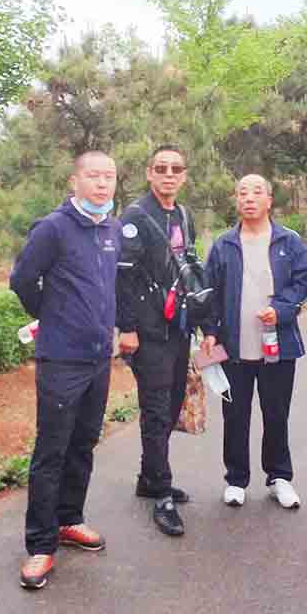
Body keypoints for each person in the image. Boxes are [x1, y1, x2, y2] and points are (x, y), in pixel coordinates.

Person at [9, 150, 121, 590]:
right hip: (62, 359)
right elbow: (22, 280)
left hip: (99, 358)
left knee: (84, 442)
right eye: (93, 176)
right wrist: (50, 316)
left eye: (109, 176)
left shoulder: (111, 228)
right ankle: (40, 544)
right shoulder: (54, 228)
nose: (102, 184)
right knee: (52, 449)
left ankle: (69, 519)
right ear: (75, 180)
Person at [200, 174, 307, 510]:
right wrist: (209, 331)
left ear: (269, 199)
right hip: (233, 348)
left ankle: (280, 477)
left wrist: (280, 310)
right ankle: (236, 480)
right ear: (236, 200)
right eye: (242, 193)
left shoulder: (289, 241)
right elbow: (209, 293)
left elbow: (304, 283)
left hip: (278, 346)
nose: (249, 198)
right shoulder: (224, 245)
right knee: (234, 416)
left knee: (276, 414)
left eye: (256, 192)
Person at [115, 145, 196, 538]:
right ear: (149, 173)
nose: (168, 174)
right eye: (161, 168)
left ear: (184, 175)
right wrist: (127, 328)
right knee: (157, 409)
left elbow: (188, 266)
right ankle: (161, 494)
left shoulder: (183, 214)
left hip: (178, 327)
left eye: (175, 168)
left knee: (174, 402)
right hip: (148, 333)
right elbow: (122, 277)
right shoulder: (134, 217)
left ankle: (149, 478)